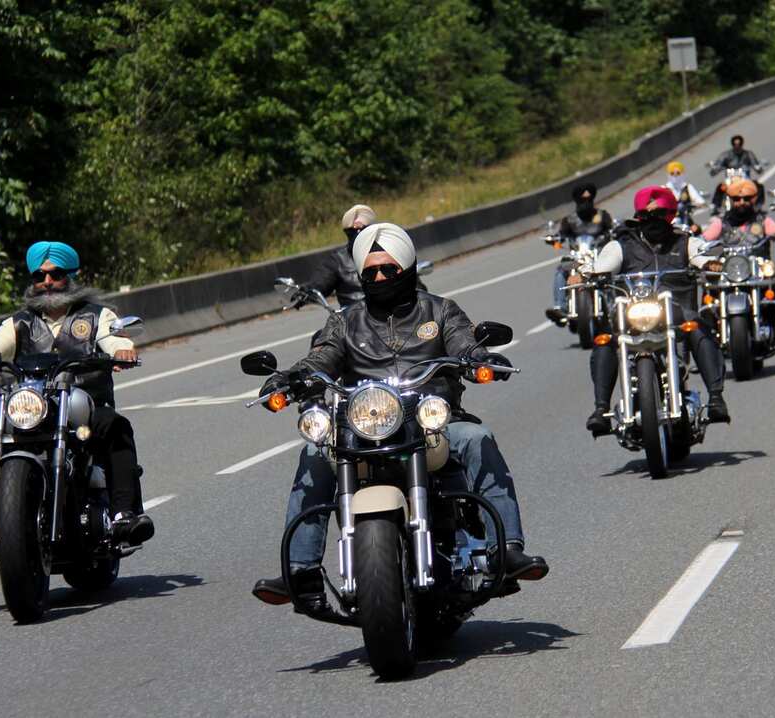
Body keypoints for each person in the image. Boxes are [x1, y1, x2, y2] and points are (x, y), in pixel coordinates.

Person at [252, 223, 549, 612]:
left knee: (477, 438)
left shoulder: (440, 310)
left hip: (434, 423)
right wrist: (291, 378)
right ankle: (301, 572)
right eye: (370, 272)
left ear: (406, 268)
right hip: (365, 425)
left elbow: (462, 340)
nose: (379, 277)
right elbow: (321, 357)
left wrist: (478, 358)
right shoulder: (345, 321)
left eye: (388, 269)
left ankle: (506, 549)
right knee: (313, 453)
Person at [0, 242, 154, 554]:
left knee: (116, 427)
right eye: (40, 276)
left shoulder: (96, 316)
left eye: (56, 274)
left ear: (71, 276)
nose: (48, 282)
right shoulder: (20, 322)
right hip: (35, 407)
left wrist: (122, 349)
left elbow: (111, 337)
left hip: (84, 407)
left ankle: (125, 516)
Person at [585, 187, 730, 437]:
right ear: (638, 216)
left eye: (659, 213)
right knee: (604, 339)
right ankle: (601, 410)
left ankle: (716, 399)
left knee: (698, 327)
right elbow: (603, 264)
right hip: (632, 315)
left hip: (677, 313)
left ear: (671, 214)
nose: (653, 220)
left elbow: (701, 256)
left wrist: (710, 263)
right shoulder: (622, 244)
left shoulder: (684, 241)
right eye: (646, 214)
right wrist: (591, 272)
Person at [546, 183, 614, 325]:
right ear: (577, 201)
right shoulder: (569, 220)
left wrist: (617, 233)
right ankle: (560, 307)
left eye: (588, 200)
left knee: (613, 269)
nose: (586, 203)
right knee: (560, 270)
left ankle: (614, 304)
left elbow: (614, 229)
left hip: (599, 256)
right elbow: (561, 235)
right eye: (583, 200)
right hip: (577, 257)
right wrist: (554, 238)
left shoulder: (603, 216)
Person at [709, 135, 766, 214]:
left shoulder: (748, 154)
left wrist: (758, 167)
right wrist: (715, 169)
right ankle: (716, 207)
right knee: (721, 187)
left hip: (745, 179)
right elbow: (717, 165)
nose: (737, 147)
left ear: (742, 144)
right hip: (730, 179)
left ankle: (758, 205)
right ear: (732, 145)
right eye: (735, 144)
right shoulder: (725, 155)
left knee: (759, 186)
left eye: (739, 144)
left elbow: (756, 165)